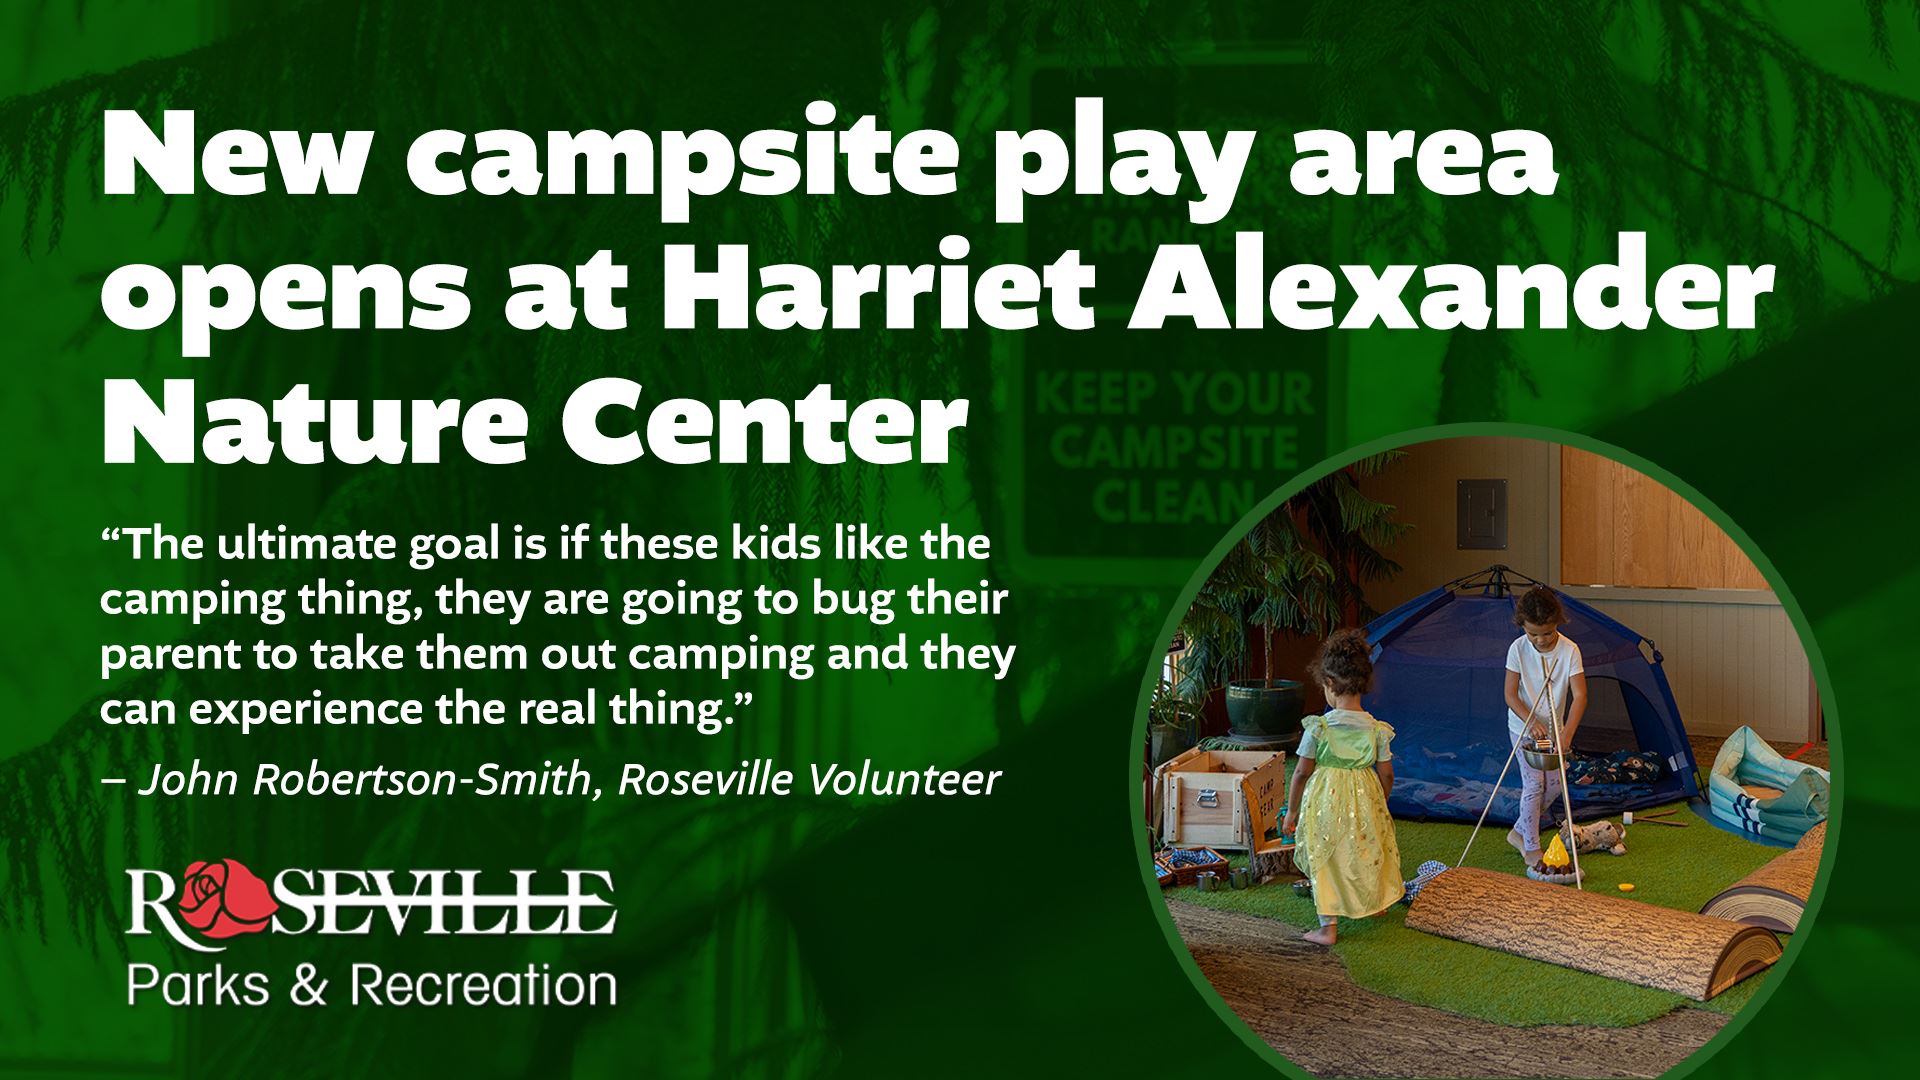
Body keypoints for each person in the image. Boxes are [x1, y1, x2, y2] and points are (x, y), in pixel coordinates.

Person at [1282, 629, 1402, 946]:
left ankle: (1328, 928)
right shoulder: (1377, 729)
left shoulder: (1319, 728)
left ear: (1329, 684)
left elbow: (1301, 772)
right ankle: (1375, 904)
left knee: (1326, 856)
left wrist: (1292, 810)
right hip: (1366, 797)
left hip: (1326, 800)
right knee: (1366, 849)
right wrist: (1380, 800)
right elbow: (1387, 774)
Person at [1502, 585, 1588, 871]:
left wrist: (1566, 735)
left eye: (1547, 633)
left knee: (1554, 785)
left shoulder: (1569, 650)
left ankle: (1519, 831)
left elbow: (1580, 696)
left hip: (1553, 732)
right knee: (1534, 784)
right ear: (1522, 627)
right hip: (1524, 730)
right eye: (1533, 634)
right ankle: (1531, 846)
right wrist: (1530, 721)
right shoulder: (1517, 649)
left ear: (1558, 623)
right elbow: (1510, 695)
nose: (1540, 640)